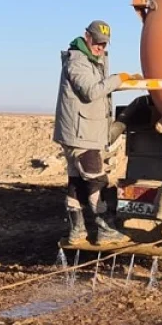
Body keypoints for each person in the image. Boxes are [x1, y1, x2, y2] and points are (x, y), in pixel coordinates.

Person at [54, 20, 131, 245]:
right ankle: (105, 230)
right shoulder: (77, 61)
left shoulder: (91, 59)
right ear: (86, 36)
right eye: (97, 42)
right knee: (97, 181)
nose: (100, 47)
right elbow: (91, 91)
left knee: (77, 183)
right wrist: (118, 80)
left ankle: (77, 232)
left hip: (80, 132)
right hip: (81, 134)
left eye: (104, 44)